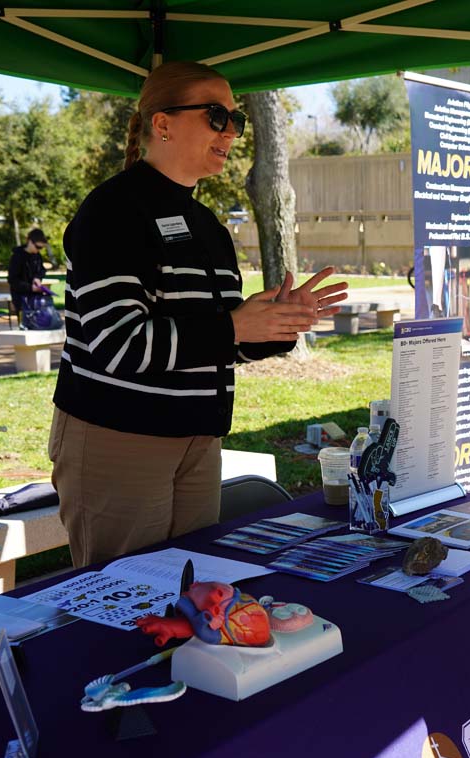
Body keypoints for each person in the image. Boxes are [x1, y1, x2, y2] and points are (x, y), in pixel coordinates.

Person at [49, 61, 347, 567]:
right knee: (129, 605)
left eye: (236, 119)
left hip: (198, 440)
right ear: (162, 124)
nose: (231, 130)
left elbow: (217, 344)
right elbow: (118, 345)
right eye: (216, 115)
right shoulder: (113, 211)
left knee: (191, 593)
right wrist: (235, 325)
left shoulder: (207, 225)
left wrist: (273, 327)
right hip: (120, 440)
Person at [7, 228, 48, 326]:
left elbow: (41, 270)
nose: (38, 250)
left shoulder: (37, 256)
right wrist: (30, 287)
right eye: (37, 247)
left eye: (41, 248)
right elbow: (12, 279)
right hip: (21, 297)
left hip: (34, 297)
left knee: (38, 324)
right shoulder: (17, 256)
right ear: (30, 241)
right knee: (25, 325)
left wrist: (38, 278)